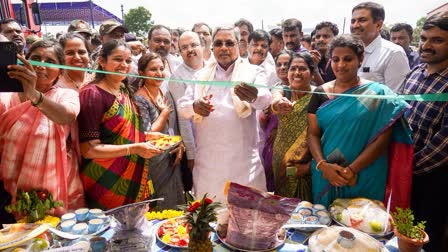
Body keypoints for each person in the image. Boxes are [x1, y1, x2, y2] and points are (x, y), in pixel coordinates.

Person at [307, 34, 413, 209]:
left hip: (365, 172)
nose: (340, 65)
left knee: (364, 223)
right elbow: (313, 133)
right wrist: (322, 165)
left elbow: (382, 140)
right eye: (335, 59)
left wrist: (352, 170)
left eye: (348, 59)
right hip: (326, 172)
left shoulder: (377, 94)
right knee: (326, 226)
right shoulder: (320, 93)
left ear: (360, 59)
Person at [177, 25, 271, 202]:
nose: (224, 48)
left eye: (229, 43)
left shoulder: (253, 72)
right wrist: (195, 106)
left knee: (247, 219)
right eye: (219, 43)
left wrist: (254, 96)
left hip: (243, 164)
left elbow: (265, 99)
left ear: (238, 46)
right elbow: (183, 108)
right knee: (212, 219)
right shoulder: (201, 76)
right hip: (209, 166)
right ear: (212, 48)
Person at [0, 39, 85, 219]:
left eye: (50, 62)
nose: (41, 66)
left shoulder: (66, 95)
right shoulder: (6, 99)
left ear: (61, 71)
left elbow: (66, 116)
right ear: (24, 61)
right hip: (11, 185)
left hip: (57, 184)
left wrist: (34, 95)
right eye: (36, 59)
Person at [77, 40, 162, 210]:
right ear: (102, 61)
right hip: (104, 180)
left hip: (132, 175)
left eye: (128, 61)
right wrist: (135, 148)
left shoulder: (124, 89)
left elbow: (126, 133)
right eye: (117, 59)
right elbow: (89, 150)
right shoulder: (92, 95)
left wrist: (146, 137)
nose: (124, 65)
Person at [402, 12, 448, 252]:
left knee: (426, 235)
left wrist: (410, 167)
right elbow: (397, 114)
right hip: (404, 169)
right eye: (424, 38)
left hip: (433, 177)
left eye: (437, 40)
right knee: (401, 228)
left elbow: (444, 144)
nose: (427, 45)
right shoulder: (415, 73)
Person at [134, 53, 185, 210]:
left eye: (161, 68)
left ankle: (175, 233)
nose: (159, 73)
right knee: (159, 202)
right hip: (154, 160)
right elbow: (146, 134)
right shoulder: (139, 99)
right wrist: (163, 114)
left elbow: (174, 127)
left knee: (176, 201)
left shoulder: (166, 94)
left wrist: (180, 144)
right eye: (153, 69)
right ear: (141, 72)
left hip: (172, 156)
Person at [270, 52, 315, 200]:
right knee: (282, 204)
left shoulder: (319, 95)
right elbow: (276, 97)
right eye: (293, 68)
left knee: (305, 207)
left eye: (302, 69)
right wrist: (278, 104)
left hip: (306, 161)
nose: (297, 73)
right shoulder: (283, 90)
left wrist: (310, 166)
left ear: (312, 73)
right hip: (281, 160)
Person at [169, 31, 205, 191]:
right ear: (179, 52)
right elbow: (184, 120)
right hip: (197, 147)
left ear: (202, 46)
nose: (190, 50)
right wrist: (192, 154)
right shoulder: (178, 77)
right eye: (184, 47)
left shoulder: (212, 68)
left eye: (193, 45)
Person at [350, 1, 409, 91]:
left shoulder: (393, 53)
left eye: (362, 20)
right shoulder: (351, 50)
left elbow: (394, 98)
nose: (355, 25)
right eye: (353, 21)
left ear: (378, 25)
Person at [260, 50, 292, 192]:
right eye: (279, 64)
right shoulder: (272, 90)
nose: (282, 67)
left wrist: (280, 130)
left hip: (293, 148)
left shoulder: (305, 90)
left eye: (287, 64)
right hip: (271, 145)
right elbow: (263, 121)